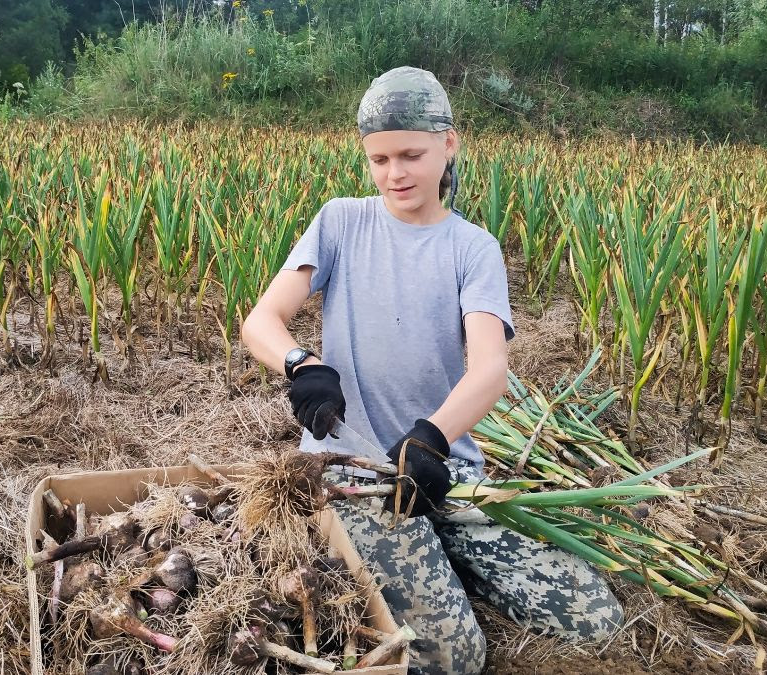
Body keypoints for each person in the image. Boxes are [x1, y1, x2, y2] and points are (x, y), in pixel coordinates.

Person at [240, 66, 624, 674]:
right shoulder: (341, 221)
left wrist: (432, 439)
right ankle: (401, 557)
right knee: (455, 659)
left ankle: (437, 551)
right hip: (359, 475)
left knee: (594, 616)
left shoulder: (473, 248)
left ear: (449, 144)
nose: (395, 174)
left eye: (412, 154)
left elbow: (490, 369)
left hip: (440, 471)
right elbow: (262, 320)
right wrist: (301, 363)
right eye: (380, 158)